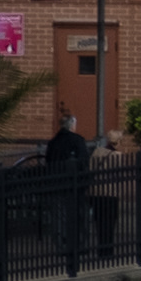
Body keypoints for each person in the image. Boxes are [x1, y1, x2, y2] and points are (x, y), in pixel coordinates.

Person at [44, 104, 95, 260]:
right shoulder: (77, 140)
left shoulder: (52, 143)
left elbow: (48, 162)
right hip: (74, 186)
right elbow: (83, 162)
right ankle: (78, 245)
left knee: (59, 217)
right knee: (79, 215)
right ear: (72, 125)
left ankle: (62, 245)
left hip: (56, 184)